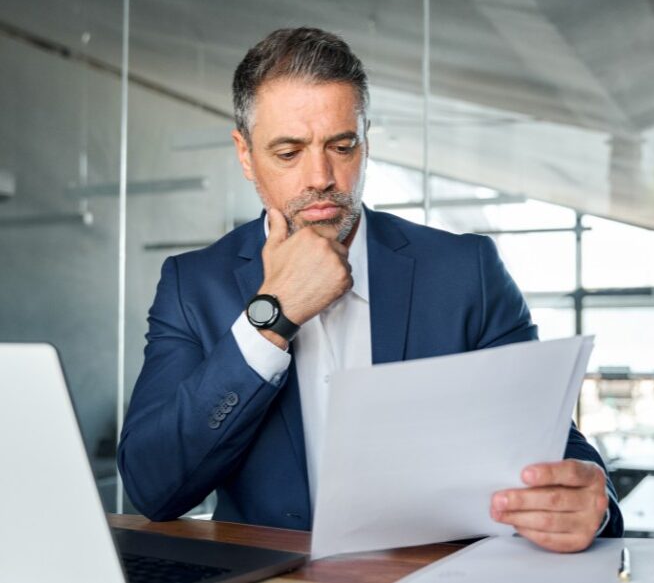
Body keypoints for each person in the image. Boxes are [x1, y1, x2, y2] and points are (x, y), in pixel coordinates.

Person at [118, 27, 623, 553]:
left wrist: (593, 498)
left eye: (342, 146)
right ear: (245, 155)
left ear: (366, 142)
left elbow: (548, 440)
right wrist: (271, 318)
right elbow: (153, 488)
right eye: (289, 152)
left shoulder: (465, 271)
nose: (321, 177)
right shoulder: (193, 285)